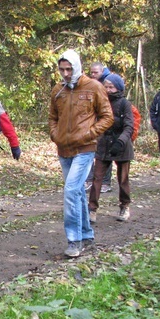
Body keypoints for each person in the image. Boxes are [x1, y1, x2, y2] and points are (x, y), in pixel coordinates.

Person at [49, 50, 113, 258]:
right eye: (62, 69)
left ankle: (74, 240)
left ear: (77, 67)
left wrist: (90, 134)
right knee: (76, 193)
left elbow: (107, 117)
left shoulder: (94, 87)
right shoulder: (58, 90)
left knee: (70, 191)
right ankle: (86, 234)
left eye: (69, 69)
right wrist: (55, 134)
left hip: (85, 149)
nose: (66, 73)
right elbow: (52, 117)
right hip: (64, 148)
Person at [88, 74, 134, 223]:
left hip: (122, 145)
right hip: (104, 144)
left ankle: (124, 206)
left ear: (118, 88)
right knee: (97, 178)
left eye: (111, 87)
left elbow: (129, 126)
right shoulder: (100, 102)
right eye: (106, 86)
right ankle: (92, 209)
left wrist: (120, 142)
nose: (108, 90)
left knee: (123, 179)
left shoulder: (125, 104)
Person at [86, 62, 113, 193]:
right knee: (90, 150)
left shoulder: (109, 83)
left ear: (102, 71)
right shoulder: (89, 84)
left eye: (95, 72)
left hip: (105, 123)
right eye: (91, 72)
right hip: (91, 122)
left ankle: (106, 182)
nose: (93, 74)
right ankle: (90, 180)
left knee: (105, 153)